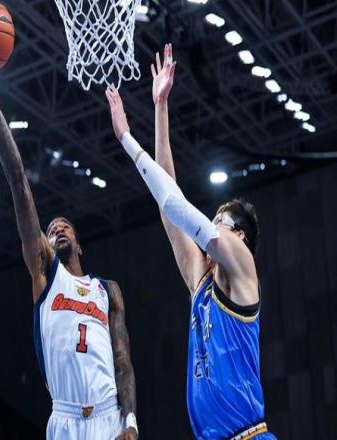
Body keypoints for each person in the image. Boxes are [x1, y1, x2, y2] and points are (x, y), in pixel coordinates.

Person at [0, 27, 138, 440]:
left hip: (109, 415)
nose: (57, 226)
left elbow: (123, 361)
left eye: (65, 225)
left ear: (79, 242)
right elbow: (17, 177)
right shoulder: (45, 271)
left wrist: (129, 422)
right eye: (50, 227)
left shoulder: (107, 291)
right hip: (64, 420)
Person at [106, 44, 276, 440]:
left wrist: (127, 139)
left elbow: (175, 204)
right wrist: (160, 108)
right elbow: (169, 207)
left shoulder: (241, 265)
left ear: (239, 235)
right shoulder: (203, 283)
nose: (211, 224)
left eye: (220, 220)